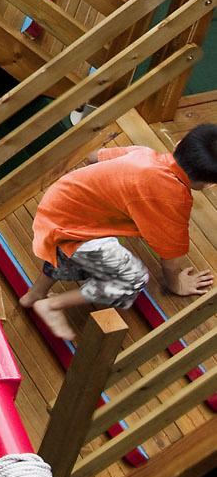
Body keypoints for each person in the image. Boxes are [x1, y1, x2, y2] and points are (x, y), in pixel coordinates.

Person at [22, 129, 217, 343]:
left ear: (179, 144)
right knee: (134, 277)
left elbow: (93, 157)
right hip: (73, 227)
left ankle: (34, 295)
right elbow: (170, 258)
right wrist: (175, 284)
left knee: (74, 243)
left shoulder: (144, 153)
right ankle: (53, 305)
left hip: (61, 201)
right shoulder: (174, 199)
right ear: (209, 184)